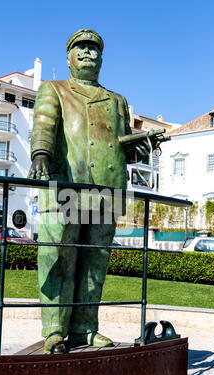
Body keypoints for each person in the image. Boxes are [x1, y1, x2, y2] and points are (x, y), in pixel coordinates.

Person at [28, 29, 149, 354]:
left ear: (102, 59)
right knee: (56, 258)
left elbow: (124, 145)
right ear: (68, 57)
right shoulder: (54, 89)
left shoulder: (117, 100)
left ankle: (84, 328)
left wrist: (139, 148)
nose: (87, 54)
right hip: (63, 187)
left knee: (95, 263)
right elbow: (44, 123)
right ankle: (54, 330)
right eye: (80, 48)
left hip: (106, 192)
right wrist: (41, 153)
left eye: (94, 50)